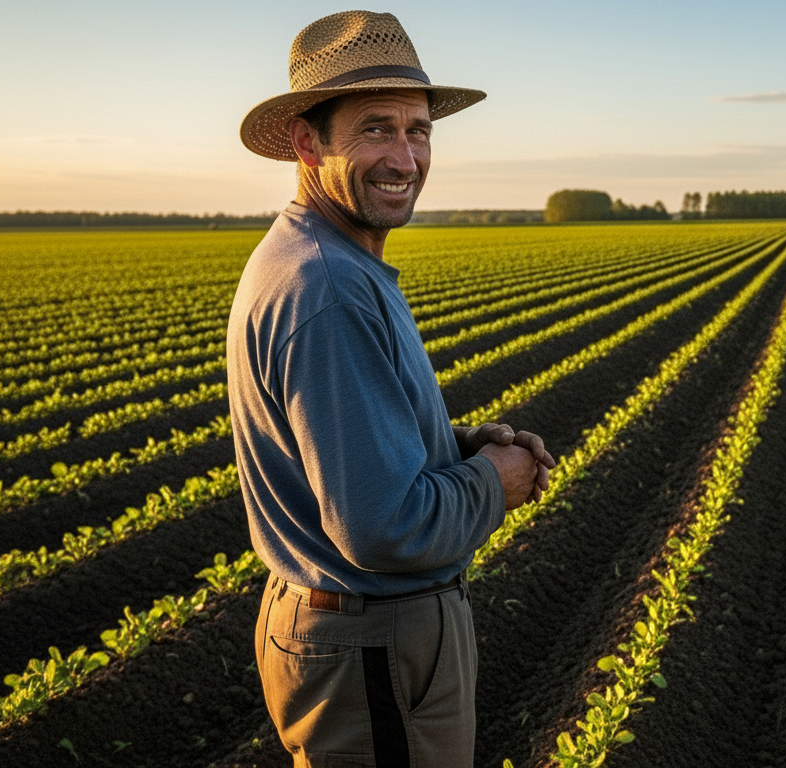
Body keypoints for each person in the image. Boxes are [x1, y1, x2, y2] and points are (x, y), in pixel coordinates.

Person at [227, 10, 555, 767]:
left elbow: (341, 447)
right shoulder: (329, 287)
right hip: (373, 643)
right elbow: (383, 529)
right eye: (376, 129)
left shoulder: (323, 255)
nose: (405, 157)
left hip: (351, 634)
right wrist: (490, 481)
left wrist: (458, 446)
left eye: (420, 130)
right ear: (309, 142)